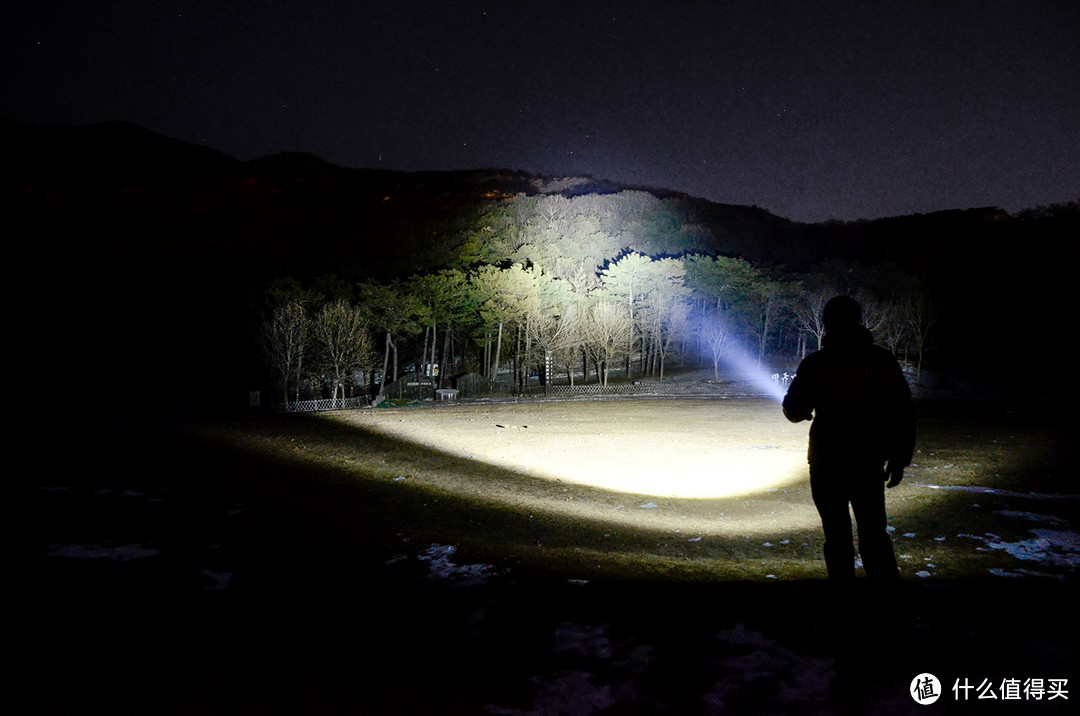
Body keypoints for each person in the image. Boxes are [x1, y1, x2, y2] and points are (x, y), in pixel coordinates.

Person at [782, 295, 915, 581]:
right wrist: (900, 456)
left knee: (837, 536)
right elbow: (902, 408)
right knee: (874, 534)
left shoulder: (816, 363)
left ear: (826, 323)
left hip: (826, 460)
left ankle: (843, 606)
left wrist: (804, 408)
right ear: (859, 320)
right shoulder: (881, 360)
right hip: (867, 459)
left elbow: (794, 411)